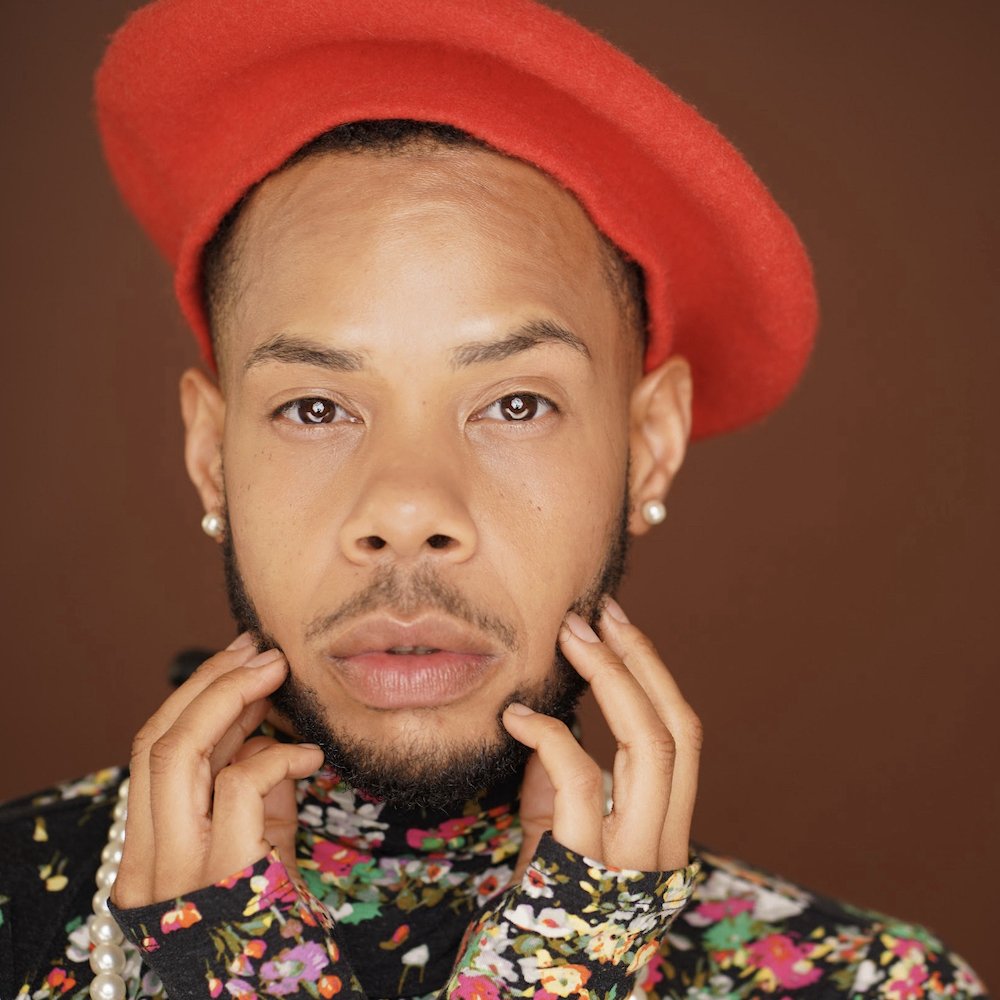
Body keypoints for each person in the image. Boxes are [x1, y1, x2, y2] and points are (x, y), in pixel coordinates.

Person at [0, 1, 988, 998]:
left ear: (647, 448)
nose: (409, 506)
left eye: (515, 402)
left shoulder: (873, 985)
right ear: (211, 453)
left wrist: (569, 963)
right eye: (314, 405)